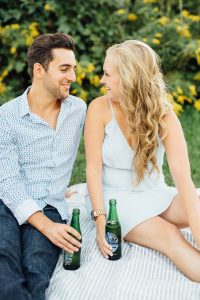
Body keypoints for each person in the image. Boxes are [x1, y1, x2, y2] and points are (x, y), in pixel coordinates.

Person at [84, 40, 200, 282]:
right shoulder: (99, 109)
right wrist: (100, 218)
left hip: (154, 193)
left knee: (197, 208)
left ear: (128, 77)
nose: (101, 80)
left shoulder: (165, 116)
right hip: (114, 199)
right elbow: (93, 168)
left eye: (107, 74)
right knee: (170, 236)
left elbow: (183, 180)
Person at [0, 32, 86, 300]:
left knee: (36, 271)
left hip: (51, 205)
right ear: (39, 70)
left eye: (73, 68)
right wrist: (47, 227)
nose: (72, 76)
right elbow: (7, 181)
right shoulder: (7, 116)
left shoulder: (78, 110)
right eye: (64, 69)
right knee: (4, 265)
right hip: (6, 203)